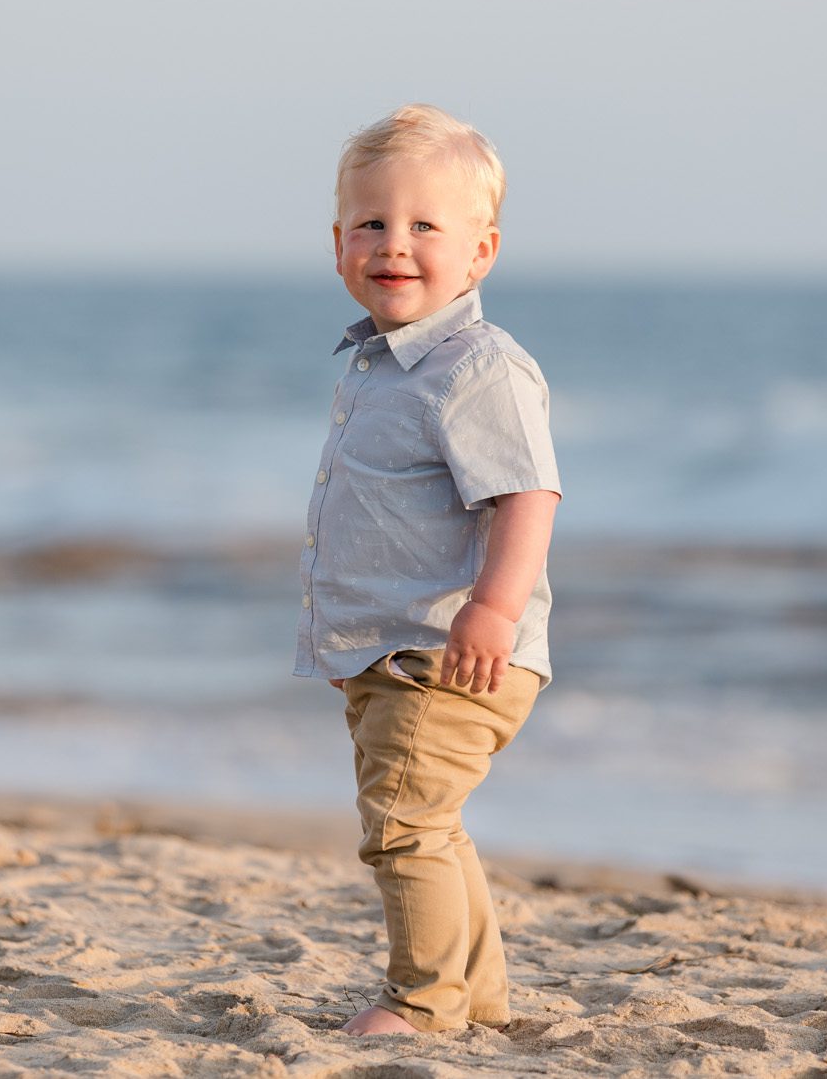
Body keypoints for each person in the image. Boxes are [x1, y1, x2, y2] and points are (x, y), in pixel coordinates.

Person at [293, 103, 562, 1036]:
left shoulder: (476, 366)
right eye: (371, 223)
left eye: (423, 226)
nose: (393, 245)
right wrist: (346, 638)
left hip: (455, 654)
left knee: (402, 824)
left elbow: (528, 494)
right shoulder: (376, 364)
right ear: (337, 246)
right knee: (429, 823)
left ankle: (425, 998)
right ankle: (476, 996)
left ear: (481, 253)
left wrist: (494, 607)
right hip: (392, 653)